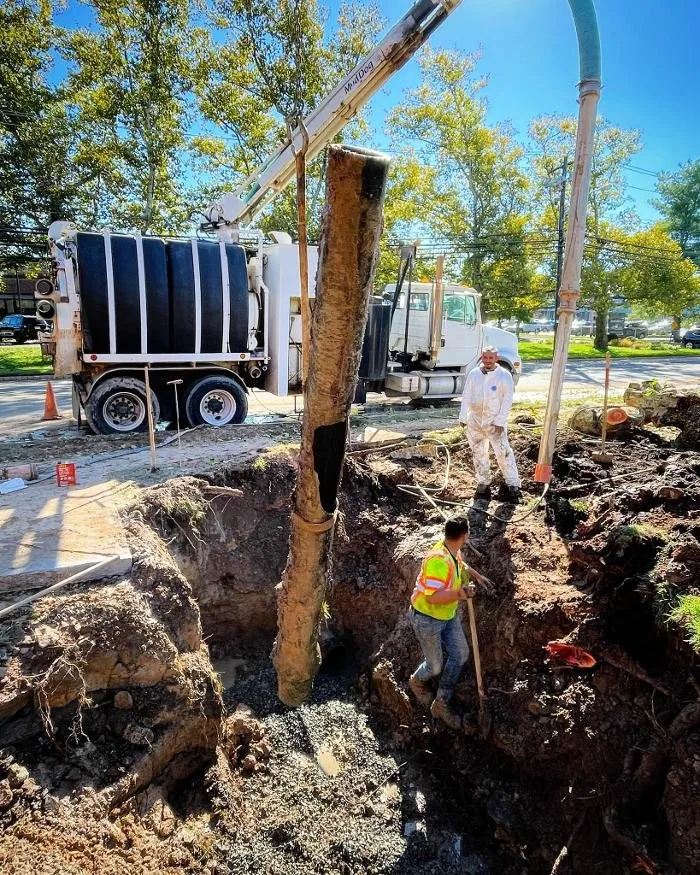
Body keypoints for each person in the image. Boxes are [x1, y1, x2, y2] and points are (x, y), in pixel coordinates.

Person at [408, 515, 488, 730]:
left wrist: (476, 575)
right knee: (435, 666)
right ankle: (416, 681)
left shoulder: (451, 549)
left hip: (446, 615)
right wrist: (461, 593)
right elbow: (433, 597)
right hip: (427, 619)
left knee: (461, 654)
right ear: (465, 536)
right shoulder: (438, 561)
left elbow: (459, 563)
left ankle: (442, 700)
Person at [459, 345, 520, 501]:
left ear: (496, 358)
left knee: (503, 452)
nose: (487, 361)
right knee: (478, 452)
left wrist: (500, 420)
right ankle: (483, 483)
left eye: (490, 358)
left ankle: (513, 484)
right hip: (476, 421)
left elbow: (507, 400)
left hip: (494, 422)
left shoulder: (504, 375)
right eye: (485, 358)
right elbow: (466, 395)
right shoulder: (474, 374)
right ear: (482, 358)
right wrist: (463, 417)